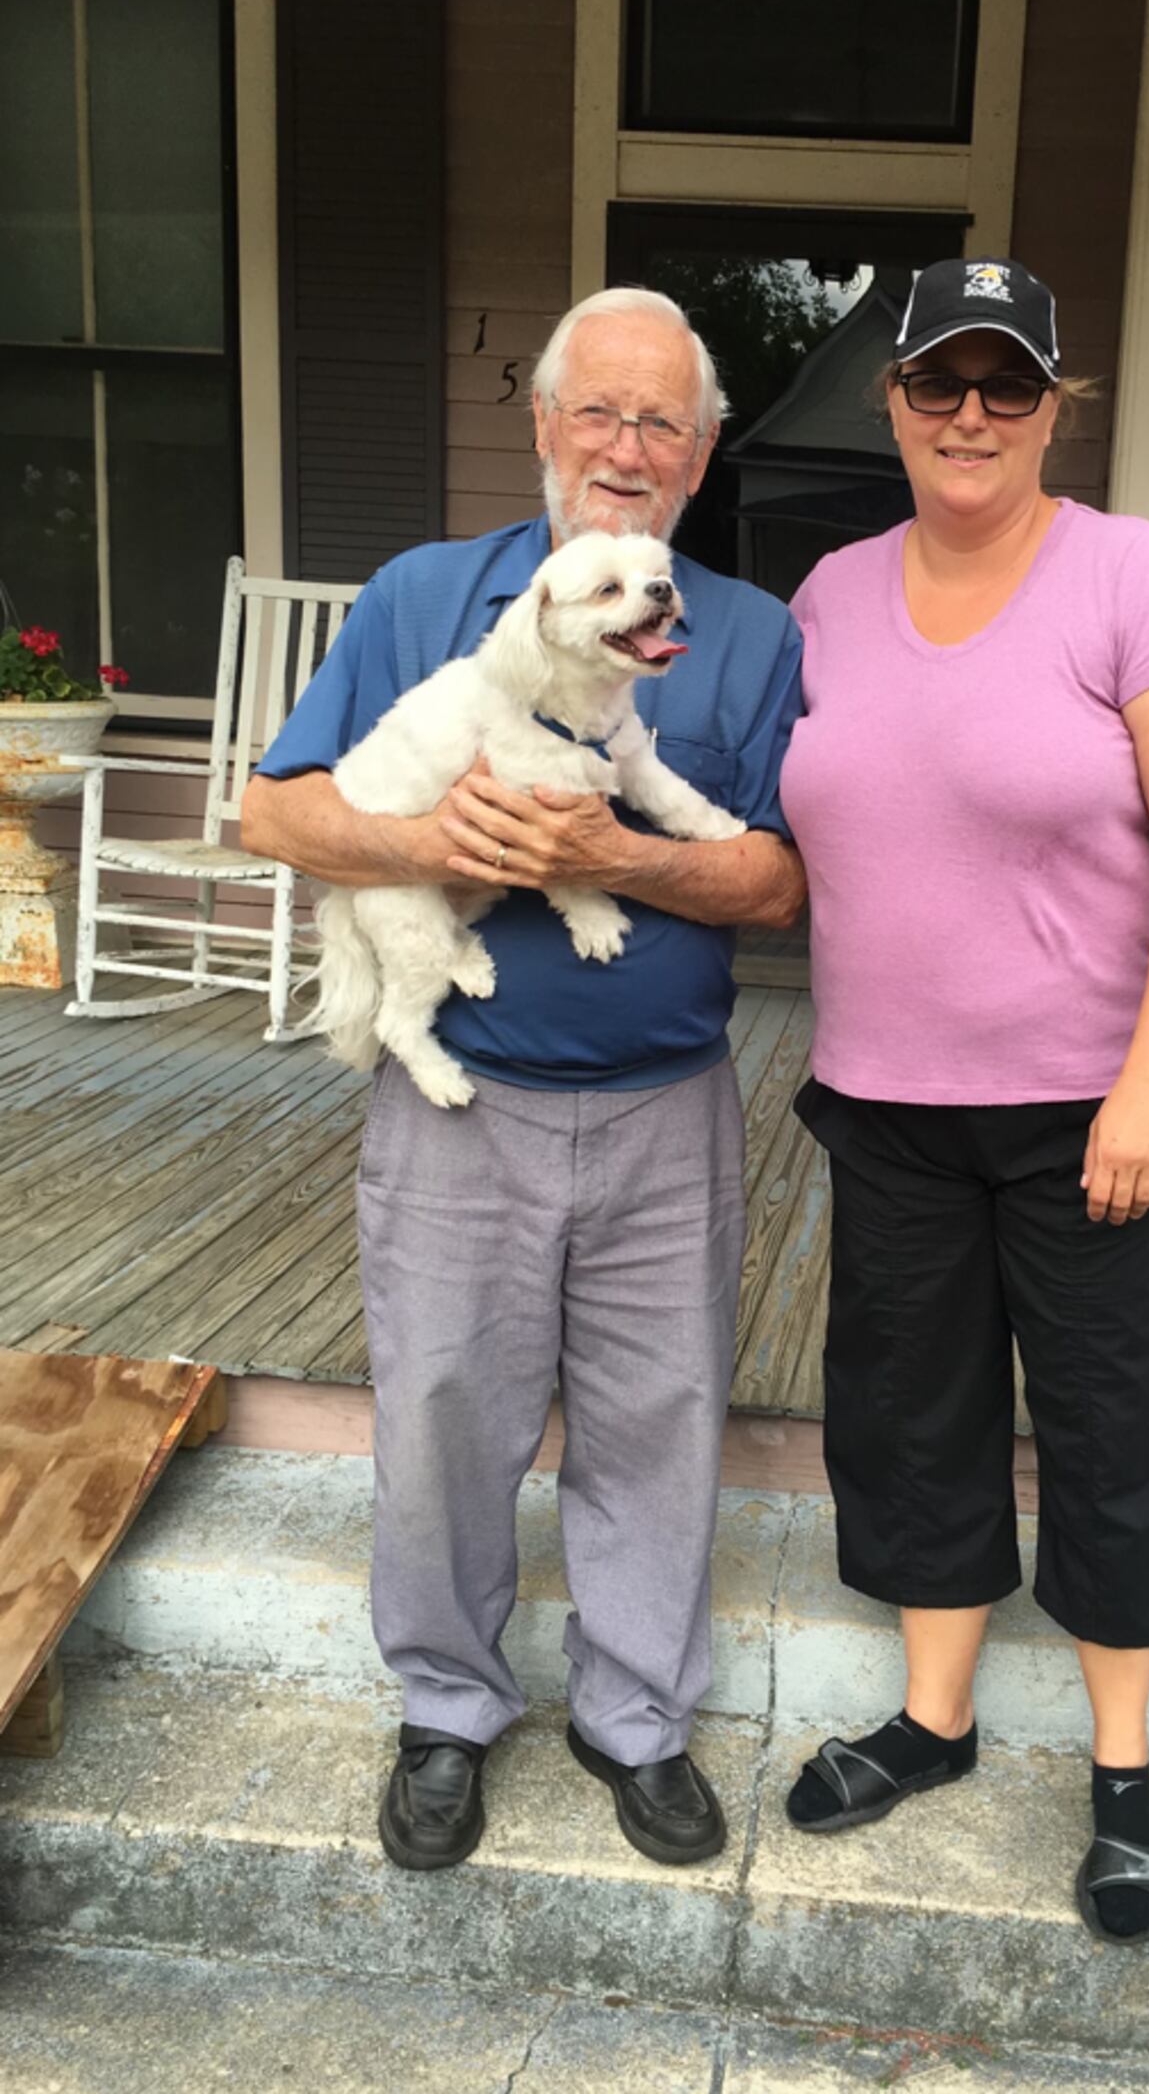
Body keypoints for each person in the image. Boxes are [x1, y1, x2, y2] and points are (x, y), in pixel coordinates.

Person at [240, 287, 806, 1872]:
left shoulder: (747, 633)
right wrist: (432, 845)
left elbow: (776, 884)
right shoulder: (427, 597)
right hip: (459, 1104)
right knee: (436, 1411)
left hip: (666, 1098)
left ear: (701, 457)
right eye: (600, 415)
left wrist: (612, 853)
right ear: (547, 428)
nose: (627, 451)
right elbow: (276, 813)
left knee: (662, 1416)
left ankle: (637, 1721)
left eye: (664, 426)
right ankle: (446, 1709)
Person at [775, 257, 1149, 1946]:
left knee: (1117, 1430)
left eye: (1008, 385)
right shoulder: (826, 594)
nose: (970, 414)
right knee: (913, 1417)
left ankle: (1122, 1768)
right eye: (937, 384)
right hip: (887, 1097)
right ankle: (938, 1721)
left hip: (1090, 1109)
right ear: (890, 402)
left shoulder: (1135, 576)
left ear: (1058, 406)